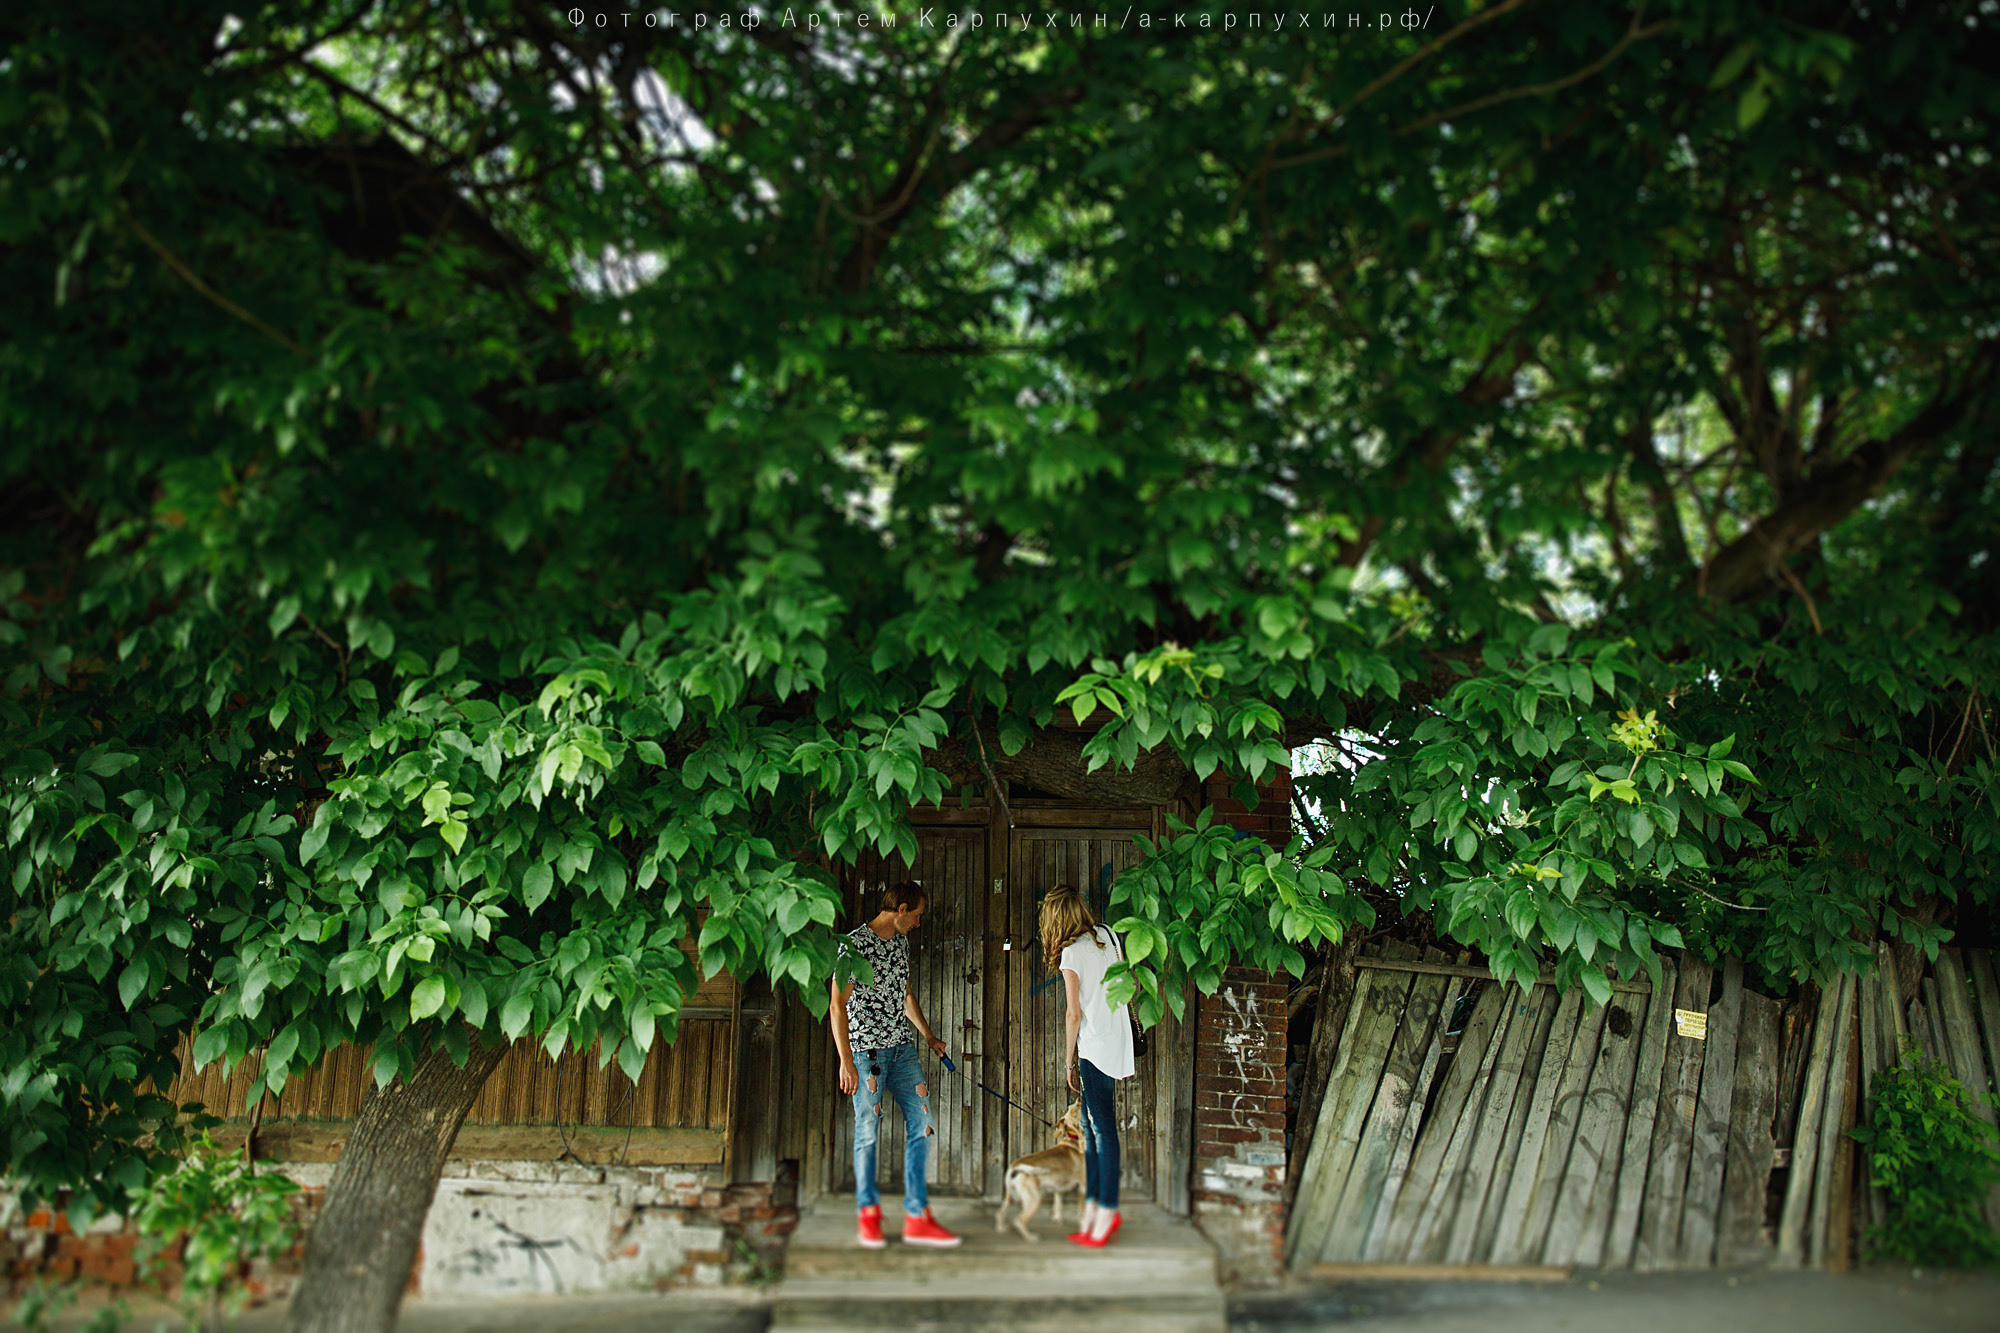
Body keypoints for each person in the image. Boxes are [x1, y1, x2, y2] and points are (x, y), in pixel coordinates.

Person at [831, 880, 962, 1250]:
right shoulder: (853, 945)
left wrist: (929, 1036)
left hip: (902, 1047)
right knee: (868, 1129)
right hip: (865, 1052)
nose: (919, 923)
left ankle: (918, 1217)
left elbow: (904, 994)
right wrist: (846, 1061)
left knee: (923, 1122)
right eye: (917, 915)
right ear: (901, 909)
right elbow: (836, 1005)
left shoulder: (901, 942)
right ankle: (868, 1216)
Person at [1040, 883, 1136, 1248]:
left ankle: (1106, 1212)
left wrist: (1068, 1062)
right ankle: (1096, 1211)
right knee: (1095, 1133)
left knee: (1102, 1131)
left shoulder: (1071, 954)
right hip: (1116, 1040)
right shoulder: (1108, 936)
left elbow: (1072, 1014)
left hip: (1093, 1048)